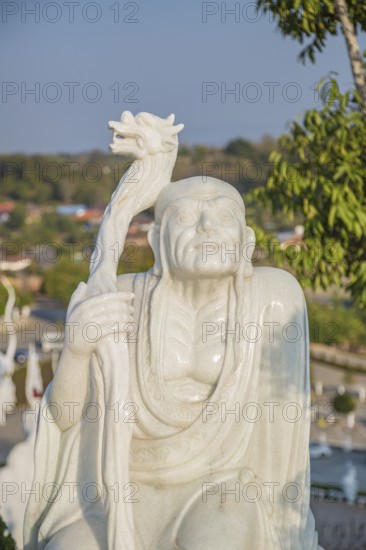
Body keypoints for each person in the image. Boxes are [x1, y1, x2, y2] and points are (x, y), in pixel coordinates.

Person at [24, 113, 320, 550]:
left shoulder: (272, 298)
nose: (205, 228)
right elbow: (66, 419)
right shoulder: (122, 300)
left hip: (221, 488)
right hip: (123, 486)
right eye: (186, 216)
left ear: (247, 244)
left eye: (221, 217)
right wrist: (78, 349)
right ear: (159, 242)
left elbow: (285, 431)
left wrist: (288, 519)